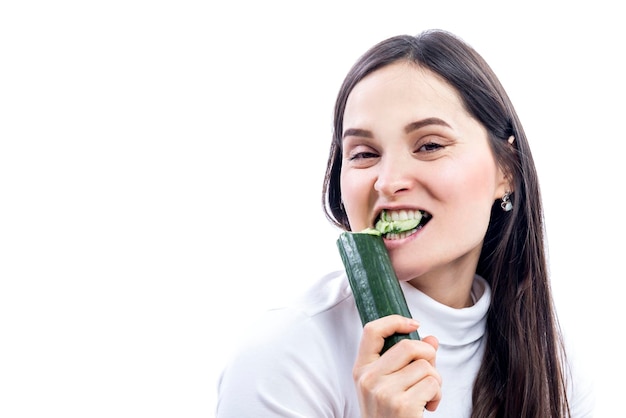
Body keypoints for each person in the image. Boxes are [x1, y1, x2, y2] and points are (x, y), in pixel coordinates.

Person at [216, 29, 594, 417]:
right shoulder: (283, 355)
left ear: (506, 170)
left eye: (429, 145)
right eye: (363, 154)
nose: (388, 180)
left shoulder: (554, 361)